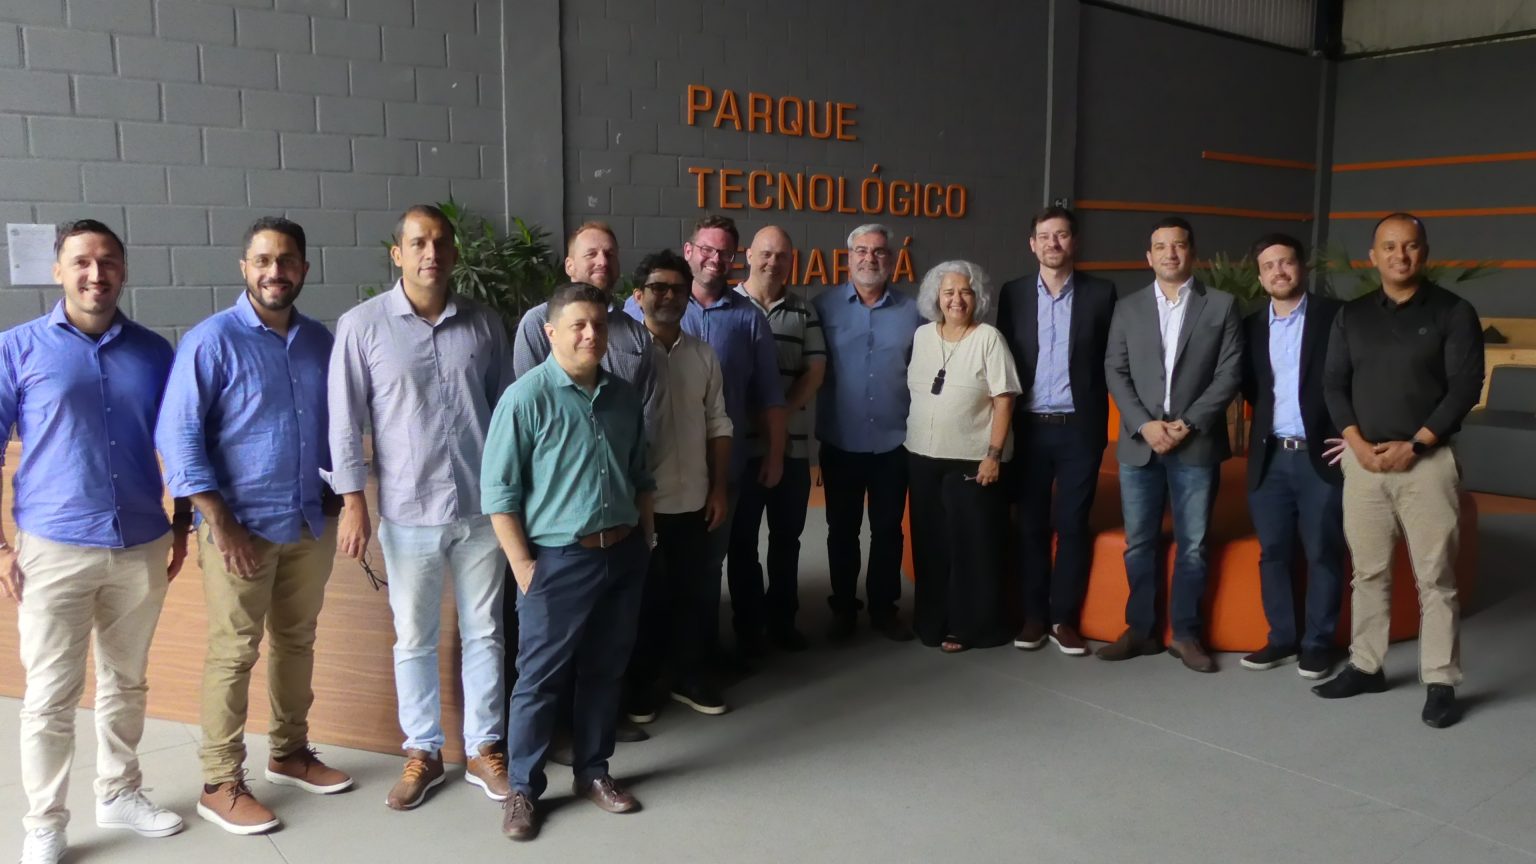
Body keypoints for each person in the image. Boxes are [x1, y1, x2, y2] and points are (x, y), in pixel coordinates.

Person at [156, 216, 352, 836]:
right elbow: (179, 437)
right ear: (244, 268)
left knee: (297, 639)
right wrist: (219, 522)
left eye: (286, 260)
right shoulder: (210, 341)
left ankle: (290, 753)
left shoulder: (320, 341)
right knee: (234, 650)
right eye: (263, 260)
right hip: (238, 528)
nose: (275, 271)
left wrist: (344, 499)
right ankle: (220, 782)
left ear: (304, 269)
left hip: (308, 520)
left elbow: (339, 427)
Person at [2, 221, 184, 864]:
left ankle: (119, 792)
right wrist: (2, 549)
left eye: (108, 261)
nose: (95, 273)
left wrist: (183, 523)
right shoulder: (17, 348)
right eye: (81, 261)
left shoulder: (155, 352)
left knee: (126, 682)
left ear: (123, 271)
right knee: (50, 696)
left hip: (139, 542)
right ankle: (45, 823)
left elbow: (181, 443)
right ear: (59, 271)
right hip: (54, 547)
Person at [328, 205, 515, 810]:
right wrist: (353, 502)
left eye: (440, 242)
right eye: (418, 243)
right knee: (413, 637)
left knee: (486, 632)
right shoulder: (362, 326)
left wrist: (512, 497)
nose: (430, 253)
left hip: (482, 509)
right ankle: (423, 751)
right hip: (408, 512)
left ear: (454, 253)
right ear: (398, 254)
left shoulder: (485, 324)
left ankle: (484, 748)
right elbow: (344, 422)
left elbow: (506, 413)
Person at [483, 282, 655, 841]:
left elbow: (641, 475)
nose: (590, 334)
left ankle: (593, 772)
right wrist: (523, 567)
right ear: (550, 332)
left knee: (605, 670)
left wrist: (646, 538)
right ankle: (523, 790)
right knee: (539, 680)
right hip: (557, 562)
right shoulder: (525, 398)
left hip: (623, 554)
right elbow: (499, 495)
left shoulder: (623, 396)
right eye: (578, 325)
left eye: (599, 325)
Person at [1314, 213, 1483, 729]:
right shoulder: (1352, 316)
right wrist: (1357, 445)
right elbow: (1333, 384)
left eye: (1409, 246)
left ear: (1424, 252)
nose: (1399, 256)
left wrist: (1416, 444)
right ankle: (1366, 666)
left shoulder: (1454, 312)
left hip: (1427, 463)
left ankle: (1440, 681)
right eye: (1389, 247)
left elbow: (1465, 387)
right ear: (1373, 256)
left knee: (1436, 578)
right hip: (1364, 464)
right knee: (1367, 572)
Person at [623, 214, 785, 684]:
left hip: (718, 473)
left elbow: (767, 394)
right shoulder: (636, 314)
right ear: (690, 250)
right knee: (649, 577)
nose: (715, 259)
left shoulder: (747, 318)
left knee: (705, 573)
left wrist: (774, 453)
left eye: (724, 252)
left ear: (734, 259)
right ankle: (648, 674)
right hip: (646, 478)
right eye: (707, 249)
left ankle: (697, 664)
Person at [1101, 216, 1243, 673]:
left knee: (1193, 545)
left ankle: (1185, 635)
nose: (1170, 254)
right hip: (1140, 444)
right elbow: (1114, 370)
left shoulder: (1221, 305)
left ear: (1192, 253)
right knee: (1139, 543)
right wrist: (1144, 425)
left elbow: (1230, 372)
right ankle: (1141, 630)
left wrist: (1189, 423)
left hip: (1195, 445)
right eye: (1160, 247)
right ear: (1149, 256)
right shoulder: (1128, 308)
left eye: (1178, 245)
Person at [995, 206, 1118, 655]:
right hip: (1028, 428)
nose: (1053, 243)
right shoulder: (1013, 294)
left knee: (1072, 524)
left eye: (1062, 235)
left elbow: (1111, 360)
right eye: (1045, 236)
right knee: (1029, 524)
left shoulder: (1101, 294)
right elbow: (1001, 360)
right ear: (1032, 244)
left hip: (1079, 429)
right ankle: (1033, 616)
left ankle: (1064, 618)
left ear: (1075, 242)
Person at [624, 250, 734, 722]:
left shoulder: (703, 354)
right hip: (640, 505)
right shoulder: (622, 355)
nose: (669, 296)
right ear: (638, 295)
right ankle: (643, 683)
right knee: (645, 598)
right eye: (658, 288)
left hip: (694, 500)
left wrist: (719, 488)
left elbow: (718, 423)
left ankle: (689, 676)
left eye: (678, 289)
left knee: (694, 594)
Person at [1238, 234, 1345, 679]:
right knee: (1274, 552)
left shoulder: (1335, 317)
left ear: (1301, 267)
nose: (1278, 271)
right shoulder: (1250, 326)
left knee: (1323, 551)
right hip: (1270, 457)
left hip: (1322, 454)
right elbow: (1253, 388)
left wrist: (1353, 435)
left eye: (1285, 262)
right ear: (1260, 276)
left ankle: (1318, 643)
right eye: (1269, 266)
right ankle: (1281, 638)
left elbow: (1357, 377)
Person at [813, 223, 925, 642]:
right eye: (861, 250)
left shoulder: (914, 312)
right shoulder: (823, 308)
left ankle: (884, 609)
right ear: (848, 257)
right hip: (841, 441)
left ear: (891, 259)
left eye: (878, 251)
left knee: (888, 530)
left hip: (895, 442)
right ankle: (843, 608)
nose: (869, 258)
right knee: (841, 531)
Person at [904, 261, 1020, 652]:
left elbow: (1004, 399)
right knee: (930, 543)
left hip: (972, 460)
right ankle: (932, 621)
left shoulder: (989, 338)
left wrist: (993, 454)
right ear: (936, 298)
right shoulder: (922, 335)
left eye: (965, 292)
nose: (957, 299)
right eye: (949, 292)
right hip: (922, 456)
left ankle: (971, 627)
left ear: (978, 298)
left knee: (971, 547)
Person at [727, 226, 826, 653]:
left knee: (787, 541)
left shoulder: (804, 311)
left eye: (782, 256)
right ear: (749, 255)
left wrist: (777, 416)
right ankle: (749, 628)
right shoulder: (727, 305)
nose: (773, 262)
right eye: (766, 254)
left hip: (794, 448)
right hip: (740, 451)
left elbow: (815, 371)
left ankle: (783, 622)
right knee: (742, 543)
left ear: (791, 261)